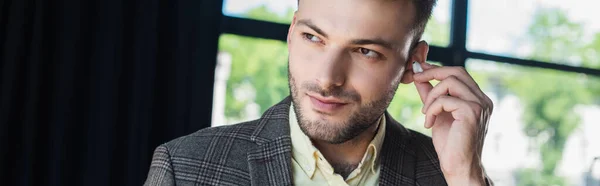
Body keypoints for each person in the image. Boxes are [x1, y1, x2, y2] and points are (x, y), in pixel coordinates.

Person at [144, 0, 494, 185]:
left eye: (365, 51)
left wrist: (466, 179)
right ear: (292, 31)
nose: (327, 79)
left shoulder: (451, 178)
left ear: (412, 63)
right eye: (313, 38)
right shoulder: (185, 170)